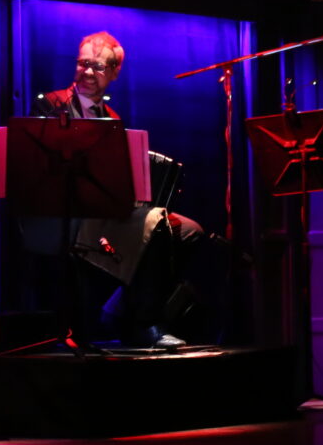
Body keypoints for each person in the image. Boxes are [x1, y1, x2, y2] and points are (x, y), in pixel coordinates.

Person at [34, 31, 205, 349]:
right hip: (70, 212)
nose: (87, 72)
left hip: (107, 209)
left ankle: (122, 309)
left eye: (97, 67)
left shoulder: (113, 118)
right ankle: (143, 323)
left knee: (190, 231)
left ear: (114, 73)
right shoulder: (50, 105)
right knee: (155, 226)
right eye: (83, 63)